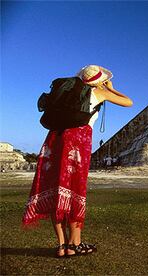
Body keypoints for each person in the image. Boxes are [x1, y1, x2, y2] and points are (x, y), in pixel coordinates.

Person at [22, 65, 133, 258]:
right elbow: (128, 102)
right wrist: (110, 89)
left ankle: (62, 245)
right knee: (74, 191)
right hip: (78, 143)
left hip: (55, 140)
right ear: (99, 81)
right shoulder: (98, 93)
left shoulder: (67, 93)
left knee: (57, 190)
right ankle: (75, 244)